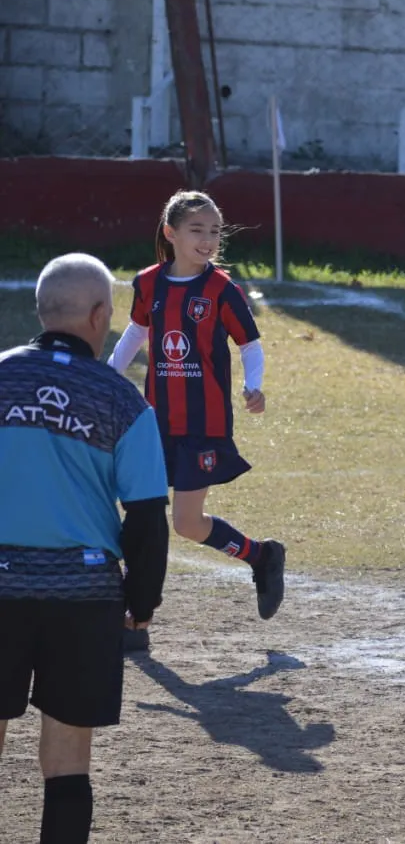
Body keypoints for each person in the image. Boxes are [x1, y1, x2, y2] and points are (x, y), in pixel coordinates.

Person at [0, 253, 170, 844]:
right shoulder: (123, 401)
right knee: (68, 759)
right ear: (100, 316)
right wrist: (141, 602)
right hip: (83, 594)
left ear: (41, 310)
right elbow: (147, 517)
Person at [107, 190, 285, 646]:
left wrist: (253, 385)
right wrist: (106, 376)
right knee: (136, 511)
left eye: (214, 231)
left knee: (186, 523)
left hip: (203, 425)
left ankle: (260, 557)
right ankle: (134, 615)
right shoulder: (149, 283)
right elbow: (137, 330)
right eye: (196, 230)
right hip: (152, 422)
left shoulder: (222, 289)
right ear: (171, 233)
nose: (207, 239)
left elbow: (249, 344)